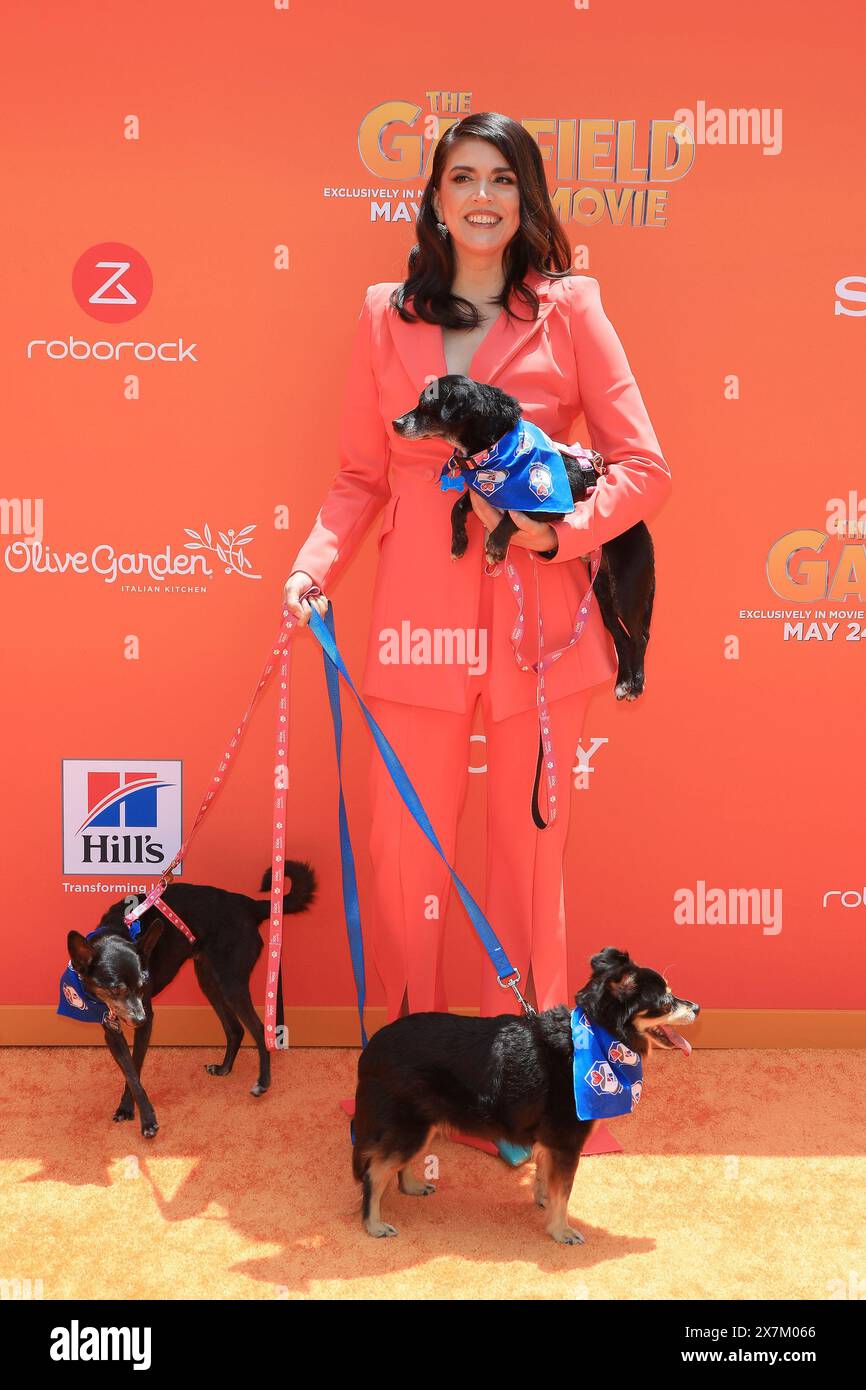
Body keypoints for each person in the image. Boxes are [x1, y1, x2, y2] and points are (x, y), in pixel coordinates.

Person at [284, 111, 672, 1163]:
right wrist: (315, 566)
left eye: (502, 177)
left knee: (525, 867)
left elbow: (642, 468)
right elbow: (363, 475)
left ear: (527, 195)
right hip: (411, 622)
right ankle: (409, 1086)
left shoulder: (571, 307)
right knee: (405, 863)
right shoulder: (383, 313)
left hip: (538, 630)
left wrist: (560, 534)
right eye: (462, 176)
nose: (482, 195)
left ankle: (530, 1089)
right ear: (435, 197)